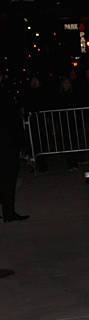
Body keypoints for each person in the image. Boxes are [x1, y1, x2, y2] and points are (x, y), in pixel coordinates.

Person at [0, 75, 29, 222]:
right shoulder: (6, 95)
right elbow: (12, 120)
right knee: (8, 179)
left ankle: (8, 211)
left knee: (6, 179)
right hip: (7, 143)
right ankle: (8, 213)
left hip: (7, 142)